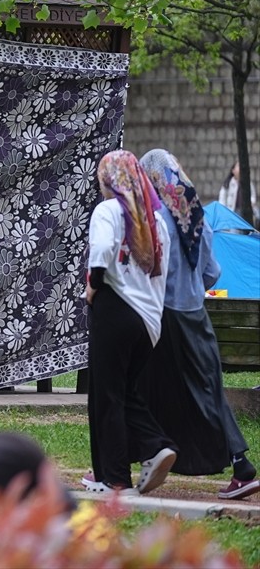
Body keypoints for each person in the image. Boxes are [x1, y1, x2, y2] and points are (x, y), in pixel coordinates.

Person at [138, 149, 259, 500]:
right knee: (209, 390)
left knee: (139, 385)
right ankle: (240, 465)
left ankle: (120, 464)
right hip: (196, 315)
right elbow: (212, 273)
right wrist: (190, 289)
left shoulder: (156, 221)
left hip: (166, 317)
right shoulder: (198, 218)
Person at [82, 149, 176, 495]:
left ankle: (115, 478)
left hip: (116, 308)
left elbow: (102, 250)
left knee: (106, 396)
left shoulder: (108, 210)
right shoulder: (157, 222)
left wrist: (93, 285)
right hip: (148, 320)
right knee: (124, 392)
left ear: (110, 179)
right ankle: (155, 446)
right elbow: (160, 275)